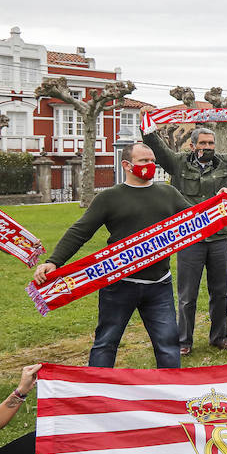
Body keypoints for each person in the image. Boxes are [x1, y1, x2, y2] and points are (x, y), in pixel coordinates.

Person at [34, 142, 197, 368]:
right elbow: (80, 231)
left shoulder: (168, 193)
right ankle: (98, 393)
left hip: (159, 283)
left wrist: (224, 201)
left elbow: (198, 219)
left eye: (152, 161)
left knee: (168, 343)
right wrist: (54, 261)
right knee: (106, 342)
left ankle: (170, 395)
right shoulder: (109, 197)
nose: (150, 165)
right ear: (126, 165)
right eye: (143, 161)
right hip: (118, 283)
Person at [143, 121, 227, 355]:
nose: (207, 147)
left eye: (211, 143)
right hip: (191, 239)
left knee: (219, 292)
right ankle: (183, 341)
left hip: (220, 238)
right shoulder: (178, 164)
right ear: (192, 145)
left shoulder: (226, 162)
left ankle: (219, 337)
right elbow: (158, 149)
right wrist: (147, 129)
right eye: (203, 143)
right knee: (187, 295)